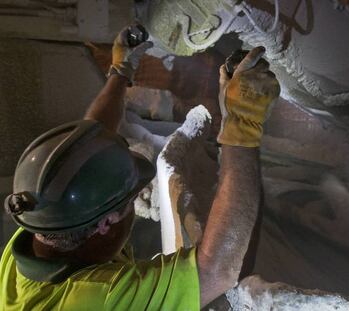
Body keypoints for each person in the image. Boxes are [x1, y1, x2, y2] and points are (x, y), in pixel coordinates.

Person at [0, 26, 280, 310]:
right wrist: (242, 126)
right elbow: (217, 271)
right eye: (129, 200)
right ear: (105, 223)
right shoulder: (96, 299)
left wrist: (120, 73)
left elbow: (89, 145)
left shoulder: (35, 236)